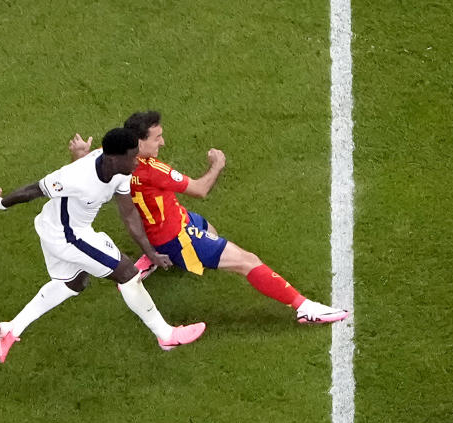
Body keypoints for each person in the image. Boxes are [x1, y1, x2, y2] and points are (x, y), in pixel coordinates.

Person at [68, 110, 349, 325]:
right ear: (139, 141)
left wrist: (79, 156)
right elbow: (200, 190)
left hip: (171, 220)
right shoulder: (154, 170)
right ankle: (305, 308)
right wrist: (216, 165)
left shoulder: (111, 158)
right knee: (246, 261)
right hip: (176, 238)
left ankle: (151, 258)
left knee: (211, 231)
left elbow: (85, 174)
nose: (162, 142)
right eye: (157, 137)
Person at [0, 128, 206, 363]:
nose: (137, 161)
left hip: (60, 230)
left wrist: (150, 252)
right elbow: (34, 190)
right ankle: (167, 335)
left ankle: (12, 329)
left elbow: (129, 214)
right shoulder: (74, 176)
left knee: (72, 283)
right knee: (128, 274)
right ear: (113, 158)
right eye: (132, 156)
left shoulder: (122, 170)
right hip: (67, 236)